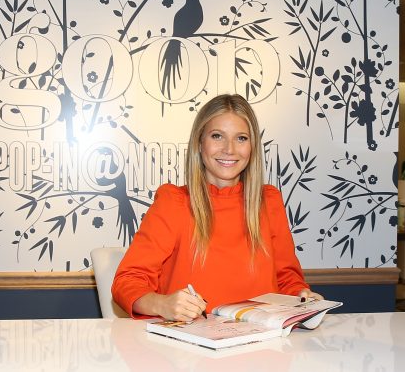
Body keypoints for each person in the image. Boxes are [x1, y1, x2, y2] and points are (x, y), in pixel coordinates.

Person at [111, 94, 322, 321]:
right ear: (199, 143)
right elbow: (127, 282)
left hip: (261, 345)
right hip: (189, 350)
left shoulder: (269, 201)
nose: (229, 149)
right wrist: (163, 304)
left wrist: (302, 297)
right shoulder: (174, 202)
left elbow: (288, 280)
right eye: (217, 136)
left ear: (252, 148)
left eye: (241, 138)